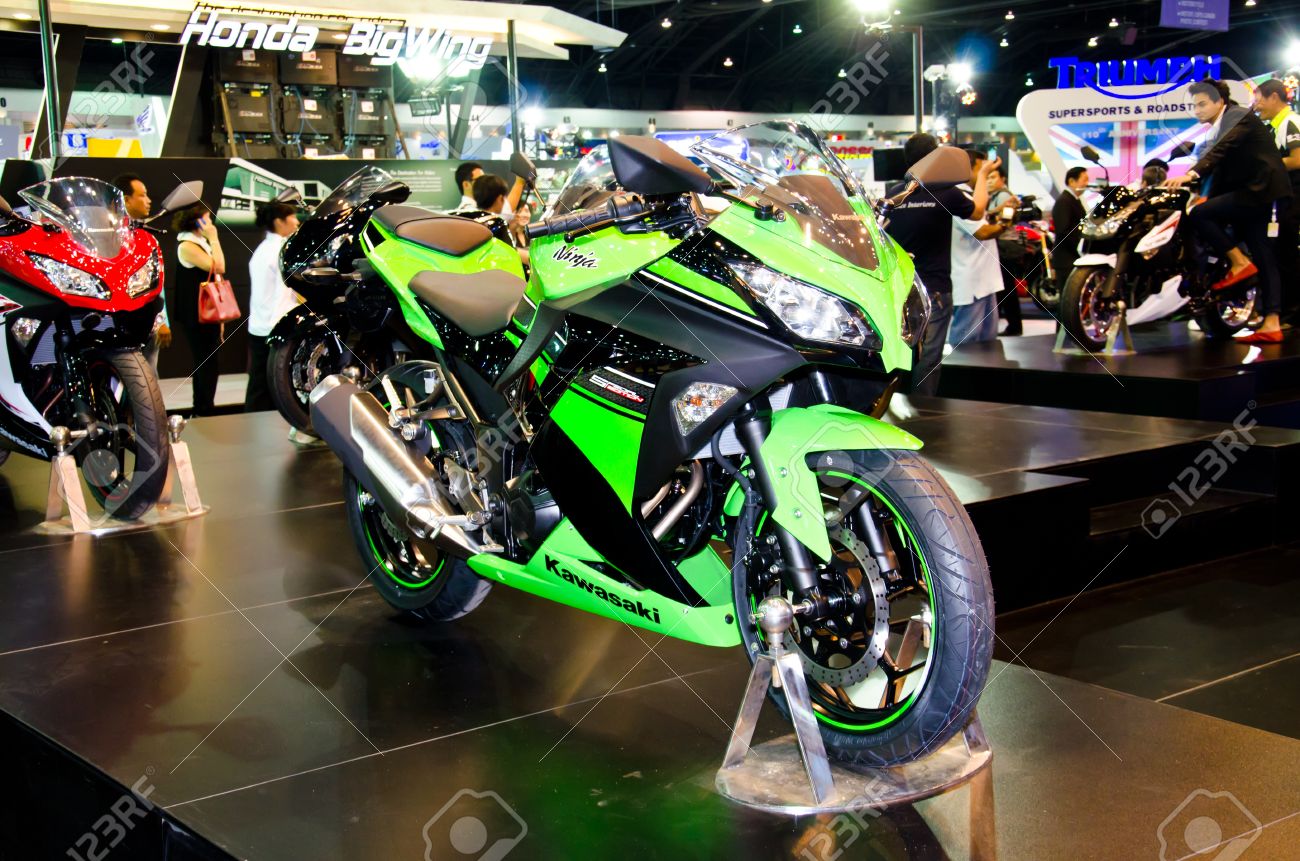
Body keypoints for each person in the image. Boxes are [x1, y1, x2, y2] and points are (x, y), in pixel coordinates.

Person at [1166, 79, 1291, 343]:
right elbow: (1221, 166)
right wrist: (1204, 193)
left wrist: (1191, 174)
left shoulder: (1236, 116)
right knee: (1263, 254)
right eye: (1194, 106)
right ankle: (1271, 323)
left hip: (1259, 190)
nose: (1197, 110)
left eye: (1202, 104)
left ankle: (1239, 262)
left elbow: (1219, 151)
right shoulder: (1222, 124)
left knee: (1200, 216)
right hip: (1252, 193)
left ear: (1220, 101)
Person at [884, 133, 993, 395]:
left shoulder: (895, 193)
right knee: (929, 357)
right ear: (936, 158)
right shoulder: (946, 192)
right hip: (934, 289)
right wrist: (983, 174)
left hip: (902, 289)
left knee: (904, 354)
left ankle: (901, 405)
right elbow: (978, 210)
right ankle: (924, 409)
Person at [950, 150, 1010, 346]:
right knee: (965, 344)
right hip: (971, 283)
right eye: (982, 169)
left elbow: (979, 222)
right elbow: (982, 232)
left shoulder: (969, 197)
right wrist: (1006, 224)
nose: (986, 175)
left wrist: (999, 213)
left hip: (984, 281)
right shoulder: (959, 197)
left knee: (987, 343)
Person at [245, 201, 301, 412]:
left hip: (260, 325)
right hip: (275, 326)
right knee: (273, 385)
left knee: (259, 383)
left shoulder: (262, 249)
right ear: (279, 221)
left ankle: (253, 421)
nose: (296, 221)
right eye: (292, 216)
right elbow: (287, 291)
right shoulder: (280, 251)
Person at [172, 205, 227, 416]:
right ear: (198, 222)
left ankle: (203, 408)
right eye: (207, 219)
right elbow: (219, 267)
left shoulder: (198, 244)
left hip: (207, 314)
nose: (211, 224)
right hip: (196, 315)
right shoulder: (187, 246)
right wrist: (214, 238)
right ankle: (203, 410)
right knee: (206, 363)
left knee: (207, 363)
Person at [1253, 78, 1300, 325]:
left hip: (1294, 197)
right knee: (1280, 253)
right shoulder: (1275, 126)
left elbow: (1298, 159)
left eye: (1259, 100)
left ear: (1273, 97)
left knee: (1288, 255)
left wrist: (1265, 166)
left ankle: (1292, 313)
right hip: (1283, 198)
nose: (1256, 106)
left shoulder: (1290, 122)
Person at [113, 173, 171, 367]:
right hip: (118, 319)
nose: (149, 200)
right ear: (126, 199)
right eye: (143, 195)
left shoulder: (144, 237)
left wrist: (161, 321)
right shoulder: (107, 236)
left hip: (146, 319)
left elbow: (156, 283)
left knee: (148, 374)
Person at [987, 164, 1023, 336]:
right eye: (987, 178)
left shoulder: (1003, 196)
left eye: (993, 177)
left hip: (1004, 246)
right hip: (1002, 245)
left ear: (1003, 179)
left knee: (1006, 287)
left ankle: (1013, 325)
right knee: (1006, 287)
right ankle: (1012, 325)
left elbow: (1003, 220)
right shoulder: (997, 196)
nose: (989, 181)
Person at [1051, 166, 1090, 292]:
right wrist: (1080, 248)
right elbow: (1064, 230)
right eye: (1084, 180)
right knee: (1067, 296)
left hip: (1072, 257)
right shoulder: (1064, 201)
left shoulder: (1074, 200)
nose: (1087, 184)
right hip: (1066, 258)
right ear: (1072, 181)